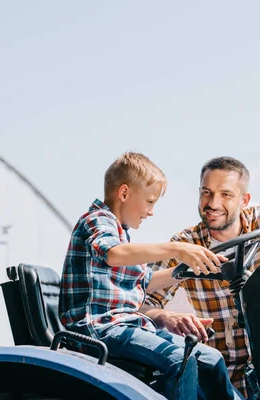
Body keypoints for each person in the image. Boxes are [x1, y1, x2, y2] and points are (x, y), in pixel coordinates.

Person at [58, 152, 244, 400]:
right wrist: (176, 249)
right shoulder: (98, 221)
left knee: (211, 358)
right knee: (181, 359)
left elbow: (146, 282)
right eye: (149, 202)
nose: (151, 212)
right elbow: (112, 254)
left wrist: (188, 270)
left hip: (126, 326)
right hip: (100, 328)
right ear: (124, 194)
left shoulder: (121, 233)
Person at [143, 156, 260, 399]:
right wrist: (164, 316)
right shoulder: (185, 245)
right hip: (224, 377)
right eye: (206, 193)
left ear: (244, 200)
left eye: (226, 195)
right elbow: (139, 301)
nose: (213, 203)